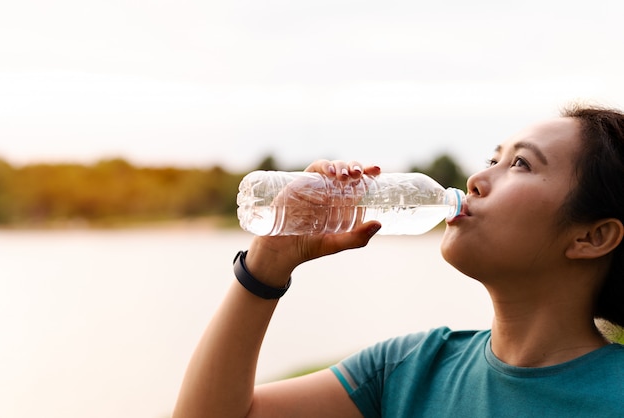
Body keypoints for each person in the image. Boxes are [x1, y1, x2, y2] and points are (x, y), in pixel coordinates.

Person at [172, 104, 624, 417]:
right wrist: (266, 265)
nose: (477, 178)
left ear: (593, 236)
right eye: (493, 157)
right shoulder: (410, 370)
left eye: (521, 164)